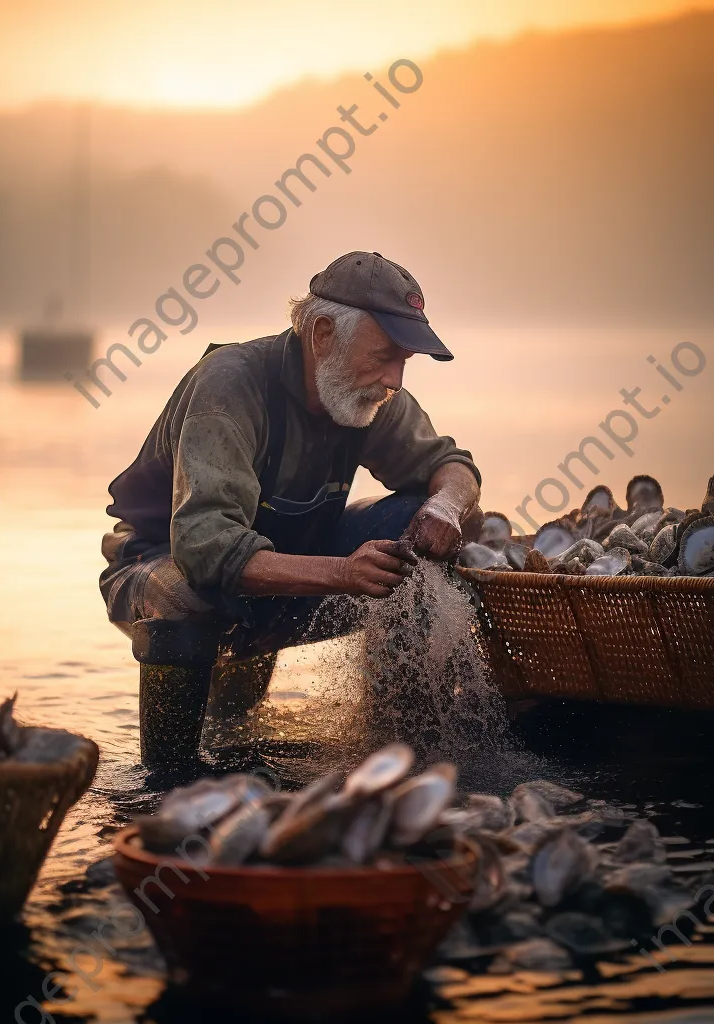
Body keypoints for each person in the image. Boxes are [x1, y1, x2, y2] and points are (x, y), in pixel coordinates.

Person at [99, 251, 483, 765]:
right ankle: (166, 776)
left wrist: (446, 508)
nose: (395, 379)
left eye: (404, 362)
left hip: (285, 581)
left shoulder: (366, 395)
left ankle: (400, 753)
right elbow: (206, 550)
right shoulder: (230, 383)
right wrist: (344, 573)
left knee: (421, 521)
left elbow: (452, 464)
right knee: (187, 597)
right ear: (322, 334)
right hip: (166, 573)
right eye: (385, 354)